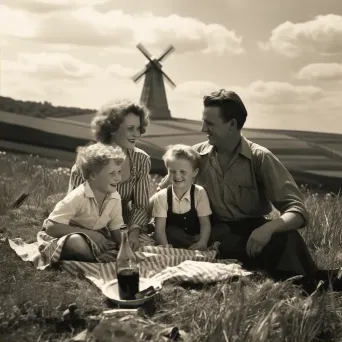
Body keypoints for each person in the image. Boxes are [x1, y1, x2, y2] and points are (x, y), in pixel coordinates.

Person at [155, 89, 323, 285]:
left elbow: (298, 211)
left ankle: (303, 283)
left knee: (288, 238)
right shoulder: (196, 156)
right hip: (211, 231)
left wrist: (268, 228)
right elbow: (162, 195)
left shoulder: (260, 158)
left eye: (209, 123)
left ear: (232, 125)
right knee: (172, 230)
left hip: (250, 234)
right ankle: (246, 269)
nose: (202, 129)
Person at [68, 99, 152, 251]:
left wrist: (134, 232)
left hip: (121, 227)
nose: (137, 135)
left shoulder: (141, 160)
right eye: (130, 128)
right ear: (112, 129)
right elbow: (73, 209)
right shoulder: (89, 159)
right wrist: (91, 233)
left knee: (147, 249)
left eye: (139, 129)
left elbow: (140, 206)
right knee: (79, 247)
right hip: (86, 226)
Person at [38, 142, 126, 262]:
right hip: (65, 235)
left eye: (119, 172)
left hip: (94, 239)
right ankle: (94, 262)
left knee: (120, 244)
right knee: (76, 242)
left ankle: (91, 258)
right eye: (112, 173)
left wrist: (125, 246)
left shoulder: (115, 198)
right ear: (94, 176)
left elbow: (116, 229)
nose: (118, 178)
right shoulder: (79, 196)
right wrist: (90, 234)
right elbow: (51, 227)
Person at [152, 144, 212, 250]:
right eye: (172, 171)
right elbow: (159, 230)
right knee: (171, 232)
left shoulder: (199, 192)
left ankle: (197, 246)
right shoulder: (163, 196)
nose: (177, 176)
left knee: (219, 231)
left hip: (195, 235)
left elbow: (205, 223)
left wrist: (203, 242)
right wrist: (166, 248)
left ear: (194, 172)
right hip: (173, 237)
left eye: (183, 172)